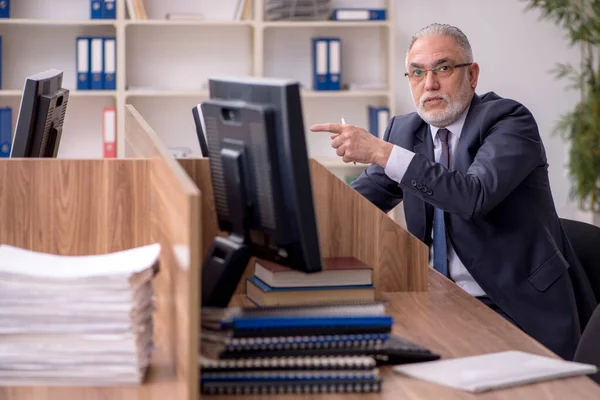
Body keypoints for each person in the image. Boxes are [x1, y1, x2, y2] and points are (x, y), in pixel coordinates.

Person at [310, 23, 597, 360]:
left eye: (443, 68)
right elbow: (357, 203)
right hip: (435, 299)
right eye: (417, 73)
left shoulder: (509, 121)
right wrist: (297, 204)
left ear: (472, 75)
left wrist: (380, 152)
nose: (429, 84)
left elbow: (471, 196)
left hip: (515, 308)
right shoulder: (405, 130)